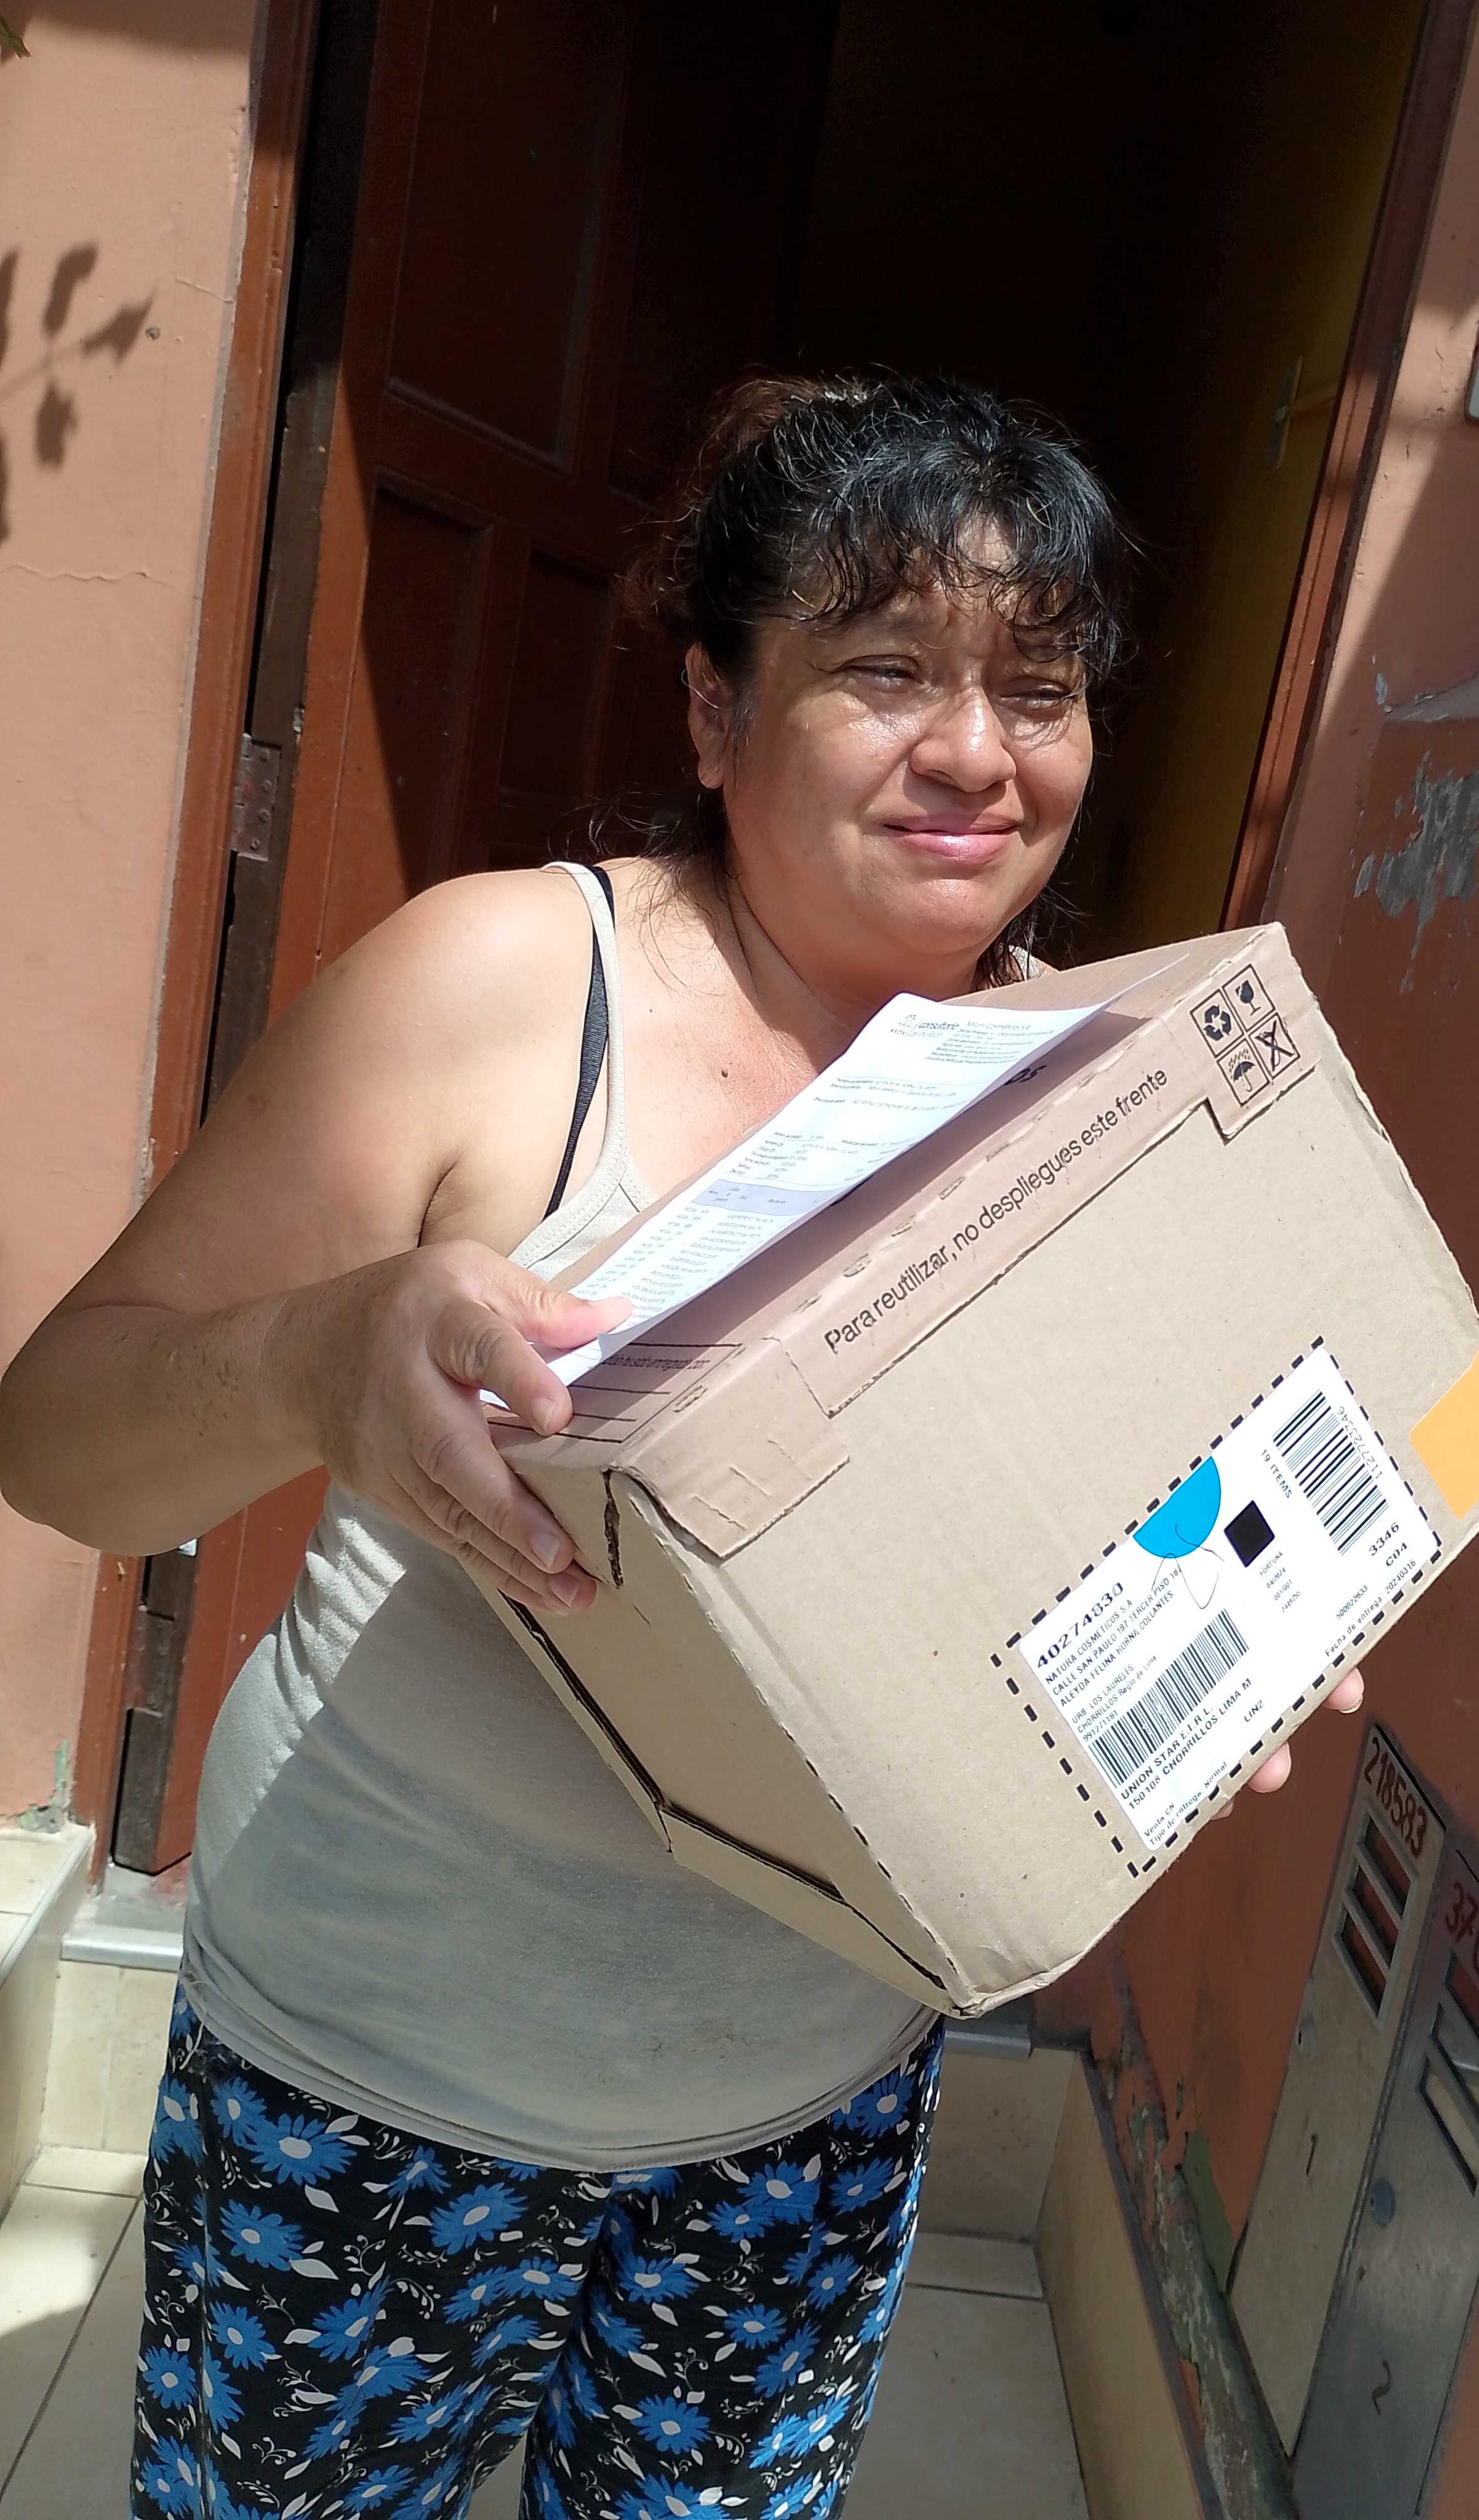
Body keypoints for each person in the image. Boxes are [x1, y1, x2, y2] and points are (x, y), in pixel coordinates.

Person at [0, 371, 1361, 2520]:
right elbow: (61, 1433)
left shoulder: (1083, 1089)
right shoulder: (507, 991)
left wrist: (1213, 1633)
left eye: (1041, 687)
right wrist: (324, 1361)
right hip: (371, 2090)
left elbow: (1062, 1566)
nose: (981, 752)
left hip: (804, 2114)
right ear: (718, 710)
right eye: (888, 670)